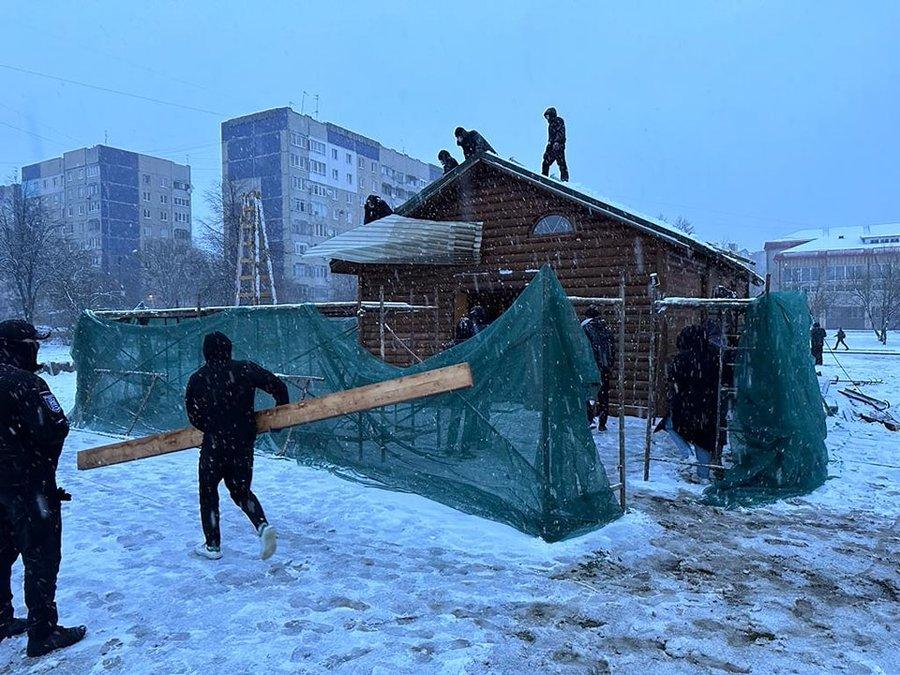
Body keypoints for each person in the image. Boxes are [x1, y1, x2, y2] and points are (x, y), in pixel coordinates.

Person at [0, 320, 86, 658]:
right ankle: (43, 630)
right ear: (21, 347)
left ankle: (2, 616)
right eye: (32, 344)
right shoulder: (28, 384)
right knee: (41, 556)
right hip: (29, 486)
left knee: (2, 553)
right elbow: (56, 428)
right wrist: (38, 466)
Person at [185, 332, 289, 561]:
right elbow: (279, 386)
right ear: (229, 349)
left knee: (208, 492)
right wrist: (280, 417)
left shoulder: (198, 378)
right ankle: (262, 526)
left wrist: (212, 425)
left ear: (206, 353)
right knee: (241, 490)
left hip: (214, 444)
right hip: (243, 442)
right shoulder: (245, 370)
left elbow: (193, 416)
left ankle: (213, 546)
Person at [667, 324, 720, 472]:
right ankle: (704, 476)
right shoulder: (715, 355)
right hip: (709, 405)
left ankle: (688, 456)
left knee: (669, 425)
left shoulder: (682, 358)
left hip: (686, 404)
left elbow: (674, 379)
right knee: (703, 441)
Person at [581, 305, 614, 430]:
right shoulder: (606, 328)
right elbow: (612, 348)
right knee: (604, 394)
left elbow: (583, 349)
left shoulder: (585, 327)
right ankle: (602, 422)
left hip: (591, 366)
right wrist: (609, 364)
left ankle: (589, 418)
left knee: (588, 393)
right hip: (605, 366)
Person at [541, 107, 569, 182]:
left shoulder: (558, 121)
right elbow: (550, 140)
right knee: (547, 162)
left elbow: (560, 132)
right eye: (546, 117)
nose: (547, 119)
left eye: (548, 116)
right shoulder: (550, 126)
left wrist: (557, 142)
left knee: (561, 163)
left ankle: (564, 180)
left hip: (558, 146)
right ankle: (544, 177)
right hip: (553, 146)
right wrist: (547, 151)